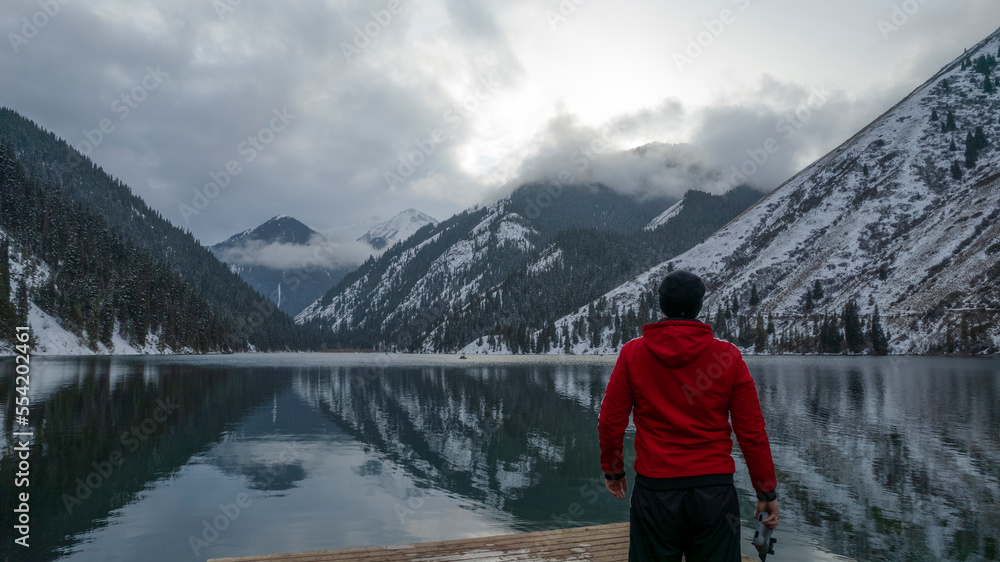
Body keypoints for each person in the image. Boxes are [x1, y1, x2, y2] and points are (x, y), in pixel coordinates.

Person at [598, 270, 779, 561]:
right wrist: (766, 493)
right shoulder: (728, 357)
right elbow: (752, 432)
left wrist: (613, 470)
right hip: (715, 494)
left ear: (662, 305)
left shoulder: (633, 354)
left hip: (655, 492)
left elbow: (610, 421)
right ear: (698, 306)